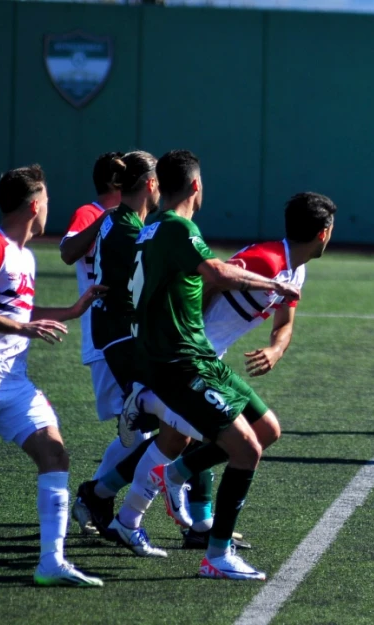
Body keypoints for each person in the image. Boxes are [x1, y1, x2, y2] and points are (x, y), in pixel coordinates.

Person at [86, 191, 335, 552]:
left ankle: (107, 492)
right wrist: (190, 338)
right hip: (189, 358)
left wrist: (275, 349)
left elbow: (285, 320)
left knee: (213, 436)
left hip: (207, 358)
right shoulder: (265, 260)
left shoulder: (295, 268)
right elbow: (206, 280)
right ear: (324, 233)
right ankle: (173, 509)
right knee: (199, 438)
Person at [122, 149, 299, 579]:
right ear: (197, 186)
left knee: (266, 430)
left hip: (196, 353)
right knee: (247, 450)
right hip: (180, 362)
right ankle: (217, 555)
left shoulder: (151, 228)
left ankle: (170, 472)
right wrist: (272, 283)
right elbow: (217, 273)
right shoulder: (178, 227)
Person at [0, 164, 106, 586]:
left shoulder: (24, 254)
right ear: (34, 205)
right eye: (46, 202)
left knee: (54, 454)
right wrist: (24, 328)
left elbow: (17, 311)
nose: (49, 209)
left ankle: (51, 562)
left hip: (12, 385)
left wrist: (71, 311)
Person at [59, 152, 150, 499]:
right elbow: (67, 252)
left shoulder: (132, 219)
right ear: (115, 182)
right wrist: (103, 220)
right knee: (138, 427)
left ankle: (95, 497)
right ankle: (93, 496)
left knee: (141, 426)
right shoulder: (93, 213)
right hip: (104, 334)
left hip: (122, 331)